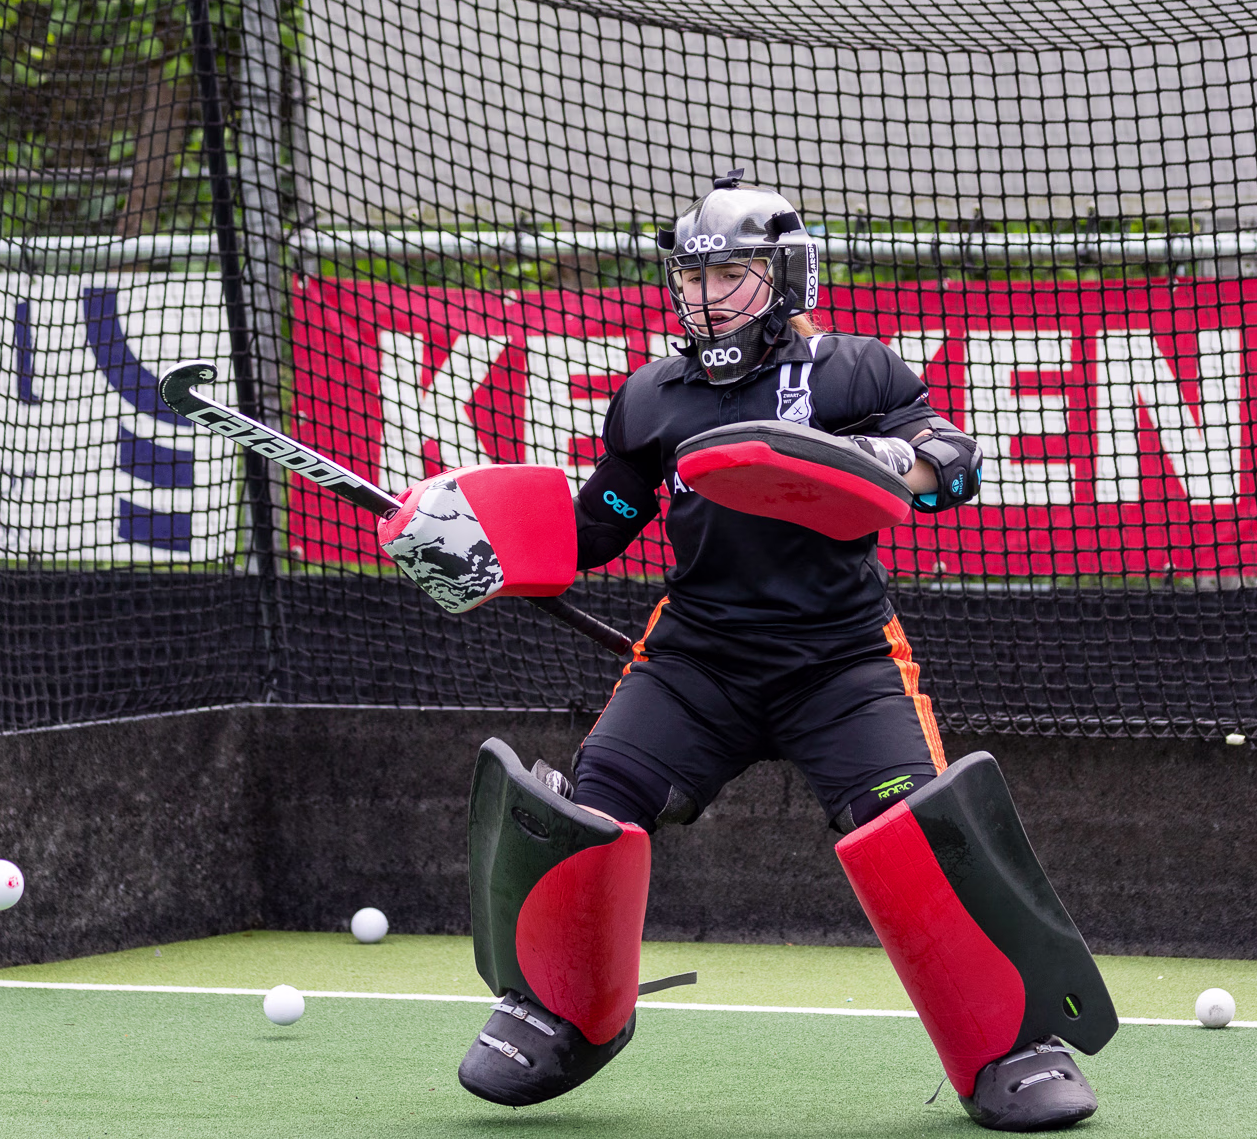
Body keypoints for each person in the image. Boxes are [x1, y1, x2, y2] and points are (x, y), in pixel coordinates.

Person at [452, 172, 1112, 1131]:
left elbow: (953, 461)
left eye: (732, 273)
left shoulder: (854, 373)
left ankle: (1010, 1043)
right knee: (590, 807)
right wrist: (480, 541)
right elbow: (600, 524)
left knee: (919, 830)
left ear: (784, 276)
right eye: (694, 277)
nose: (708, 295)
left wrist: (898, 460)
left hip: (842, 664)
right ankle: (565, 1013)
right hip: (696, 662)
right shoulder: (651, 398)